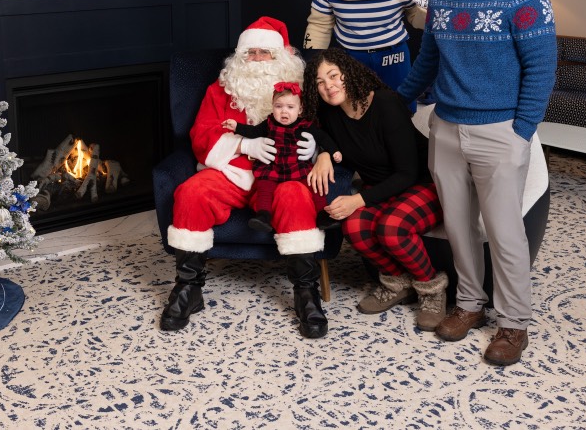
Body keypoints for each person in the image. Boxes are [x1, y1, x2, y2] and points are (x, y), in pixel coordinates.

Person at [395, 0, 557, 366]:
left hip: (500, 130)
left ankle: (512, 323)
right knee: (459, 226)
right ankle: (469, 304)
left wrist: (522, 131)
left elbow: (541, 67)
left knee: (504, 232)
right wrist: (399, 97)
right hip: (446, 126)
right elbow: (429, 58)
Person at [160, 17, 331, 339]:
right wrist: (242, 142)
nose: (256, 60)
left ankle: (306, 293)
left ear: (281, 56)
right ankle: (188, 288)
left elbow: (329, 128)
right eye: (249, 53)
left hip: (285, 175)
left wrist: (317, 148)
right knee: (192, 192)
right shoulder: (221, 89)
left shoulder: (303, 89)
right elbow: (201, 132)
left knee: (295, 198)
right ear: (239, 57)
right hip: (233, 171)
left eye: (264, 53)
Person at [303, 47, 449, 331]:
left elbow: (406, 173)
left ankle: (432, 291)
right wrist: (323, 152)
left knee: (391, 228)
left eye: (333, 75)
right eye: (320, 82)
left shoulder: (385, 103)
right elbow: (321, 134)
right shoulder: (331, 114)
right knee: (354, 227)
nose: (329, 86)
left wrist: (358, 199)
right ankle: (398, 284)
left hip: (423, 184)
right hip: (382, 189)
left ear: (349, 73)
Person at [222, 81, 342, 233]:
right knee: (264, 185)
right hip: (273, 165)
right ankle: (263, 215)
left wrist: (334, 151)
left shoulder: (305, 125)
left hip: (296, 165)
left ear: (300, 109)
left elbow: (323, 137)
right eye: (279, 106)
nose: (284, 112)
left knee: (314, 184)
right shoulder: (270, 123)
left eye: (290, 107)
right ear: (273, 107)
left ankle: (322, 215)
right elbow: (253, 131)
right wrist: (237, 127)